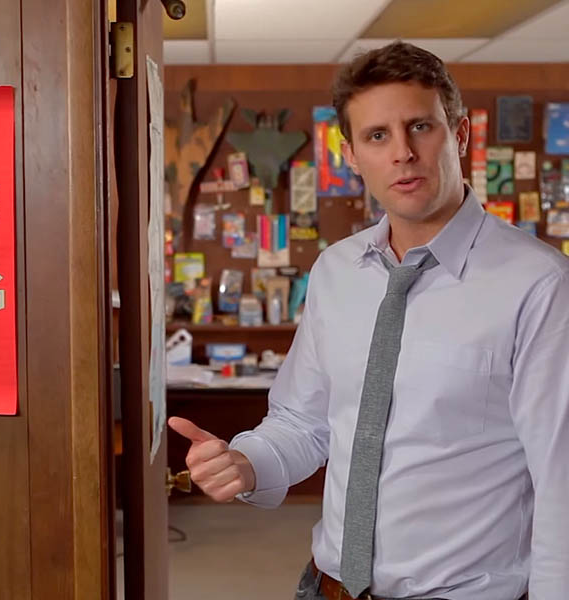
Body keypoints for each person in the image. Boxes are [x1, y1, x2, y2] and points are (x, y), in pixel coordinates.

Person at [168, 41, 569, 600]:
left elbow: (561, 479)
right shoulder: (336, 271)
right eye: (377, 135)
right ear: (351, 155)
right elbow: (302, 422)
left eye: (420, 127)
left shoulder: (539, 283)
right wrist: (246, 462)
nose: (402, 153)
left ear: (459, 134)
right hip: (326, 587)